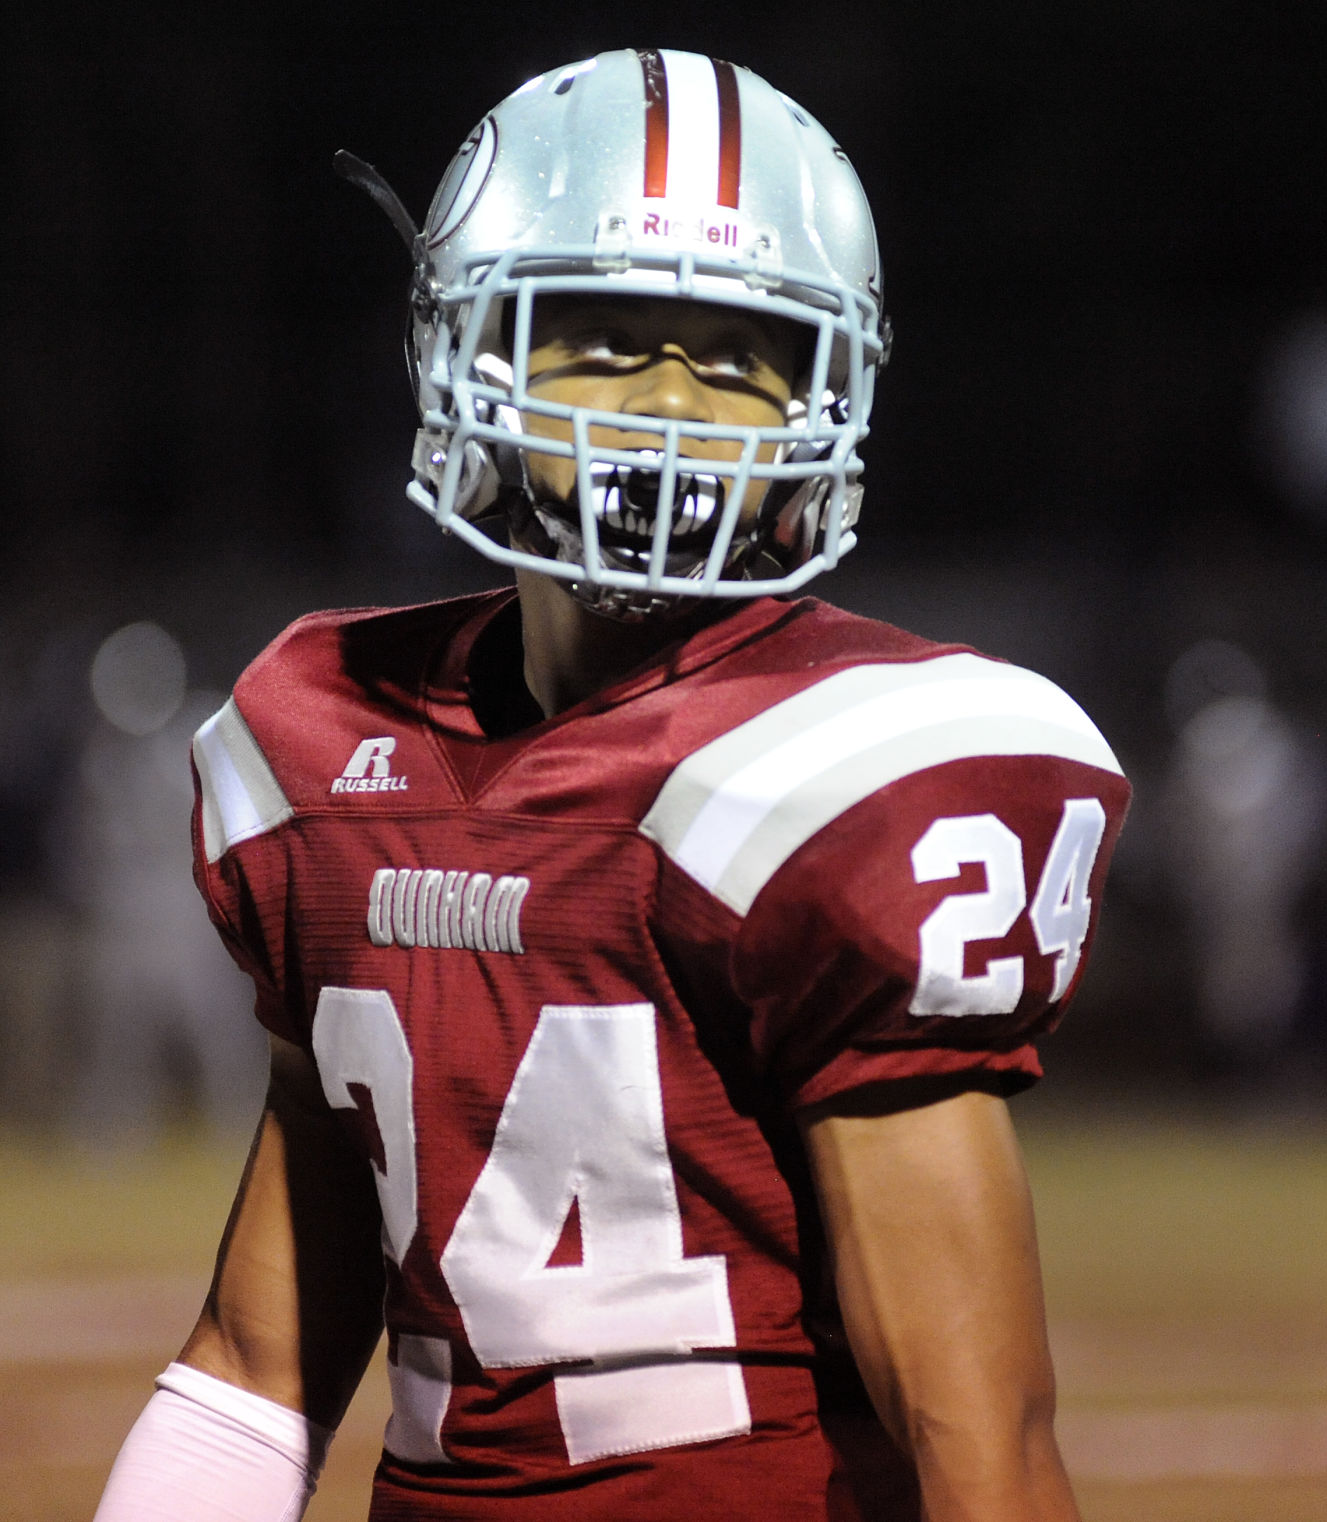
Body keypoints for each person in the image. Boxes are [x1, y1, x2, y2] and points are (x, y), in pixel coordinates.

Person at [94, 48, 1129, 1522]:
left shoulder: (847, 774)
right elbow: (256, 1367)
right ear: (466, 351)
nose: (664, 405)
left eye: (732, 353)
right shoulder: (326, 748)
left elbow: (985, 1448)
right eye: (603, 337)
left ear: (821, 392)